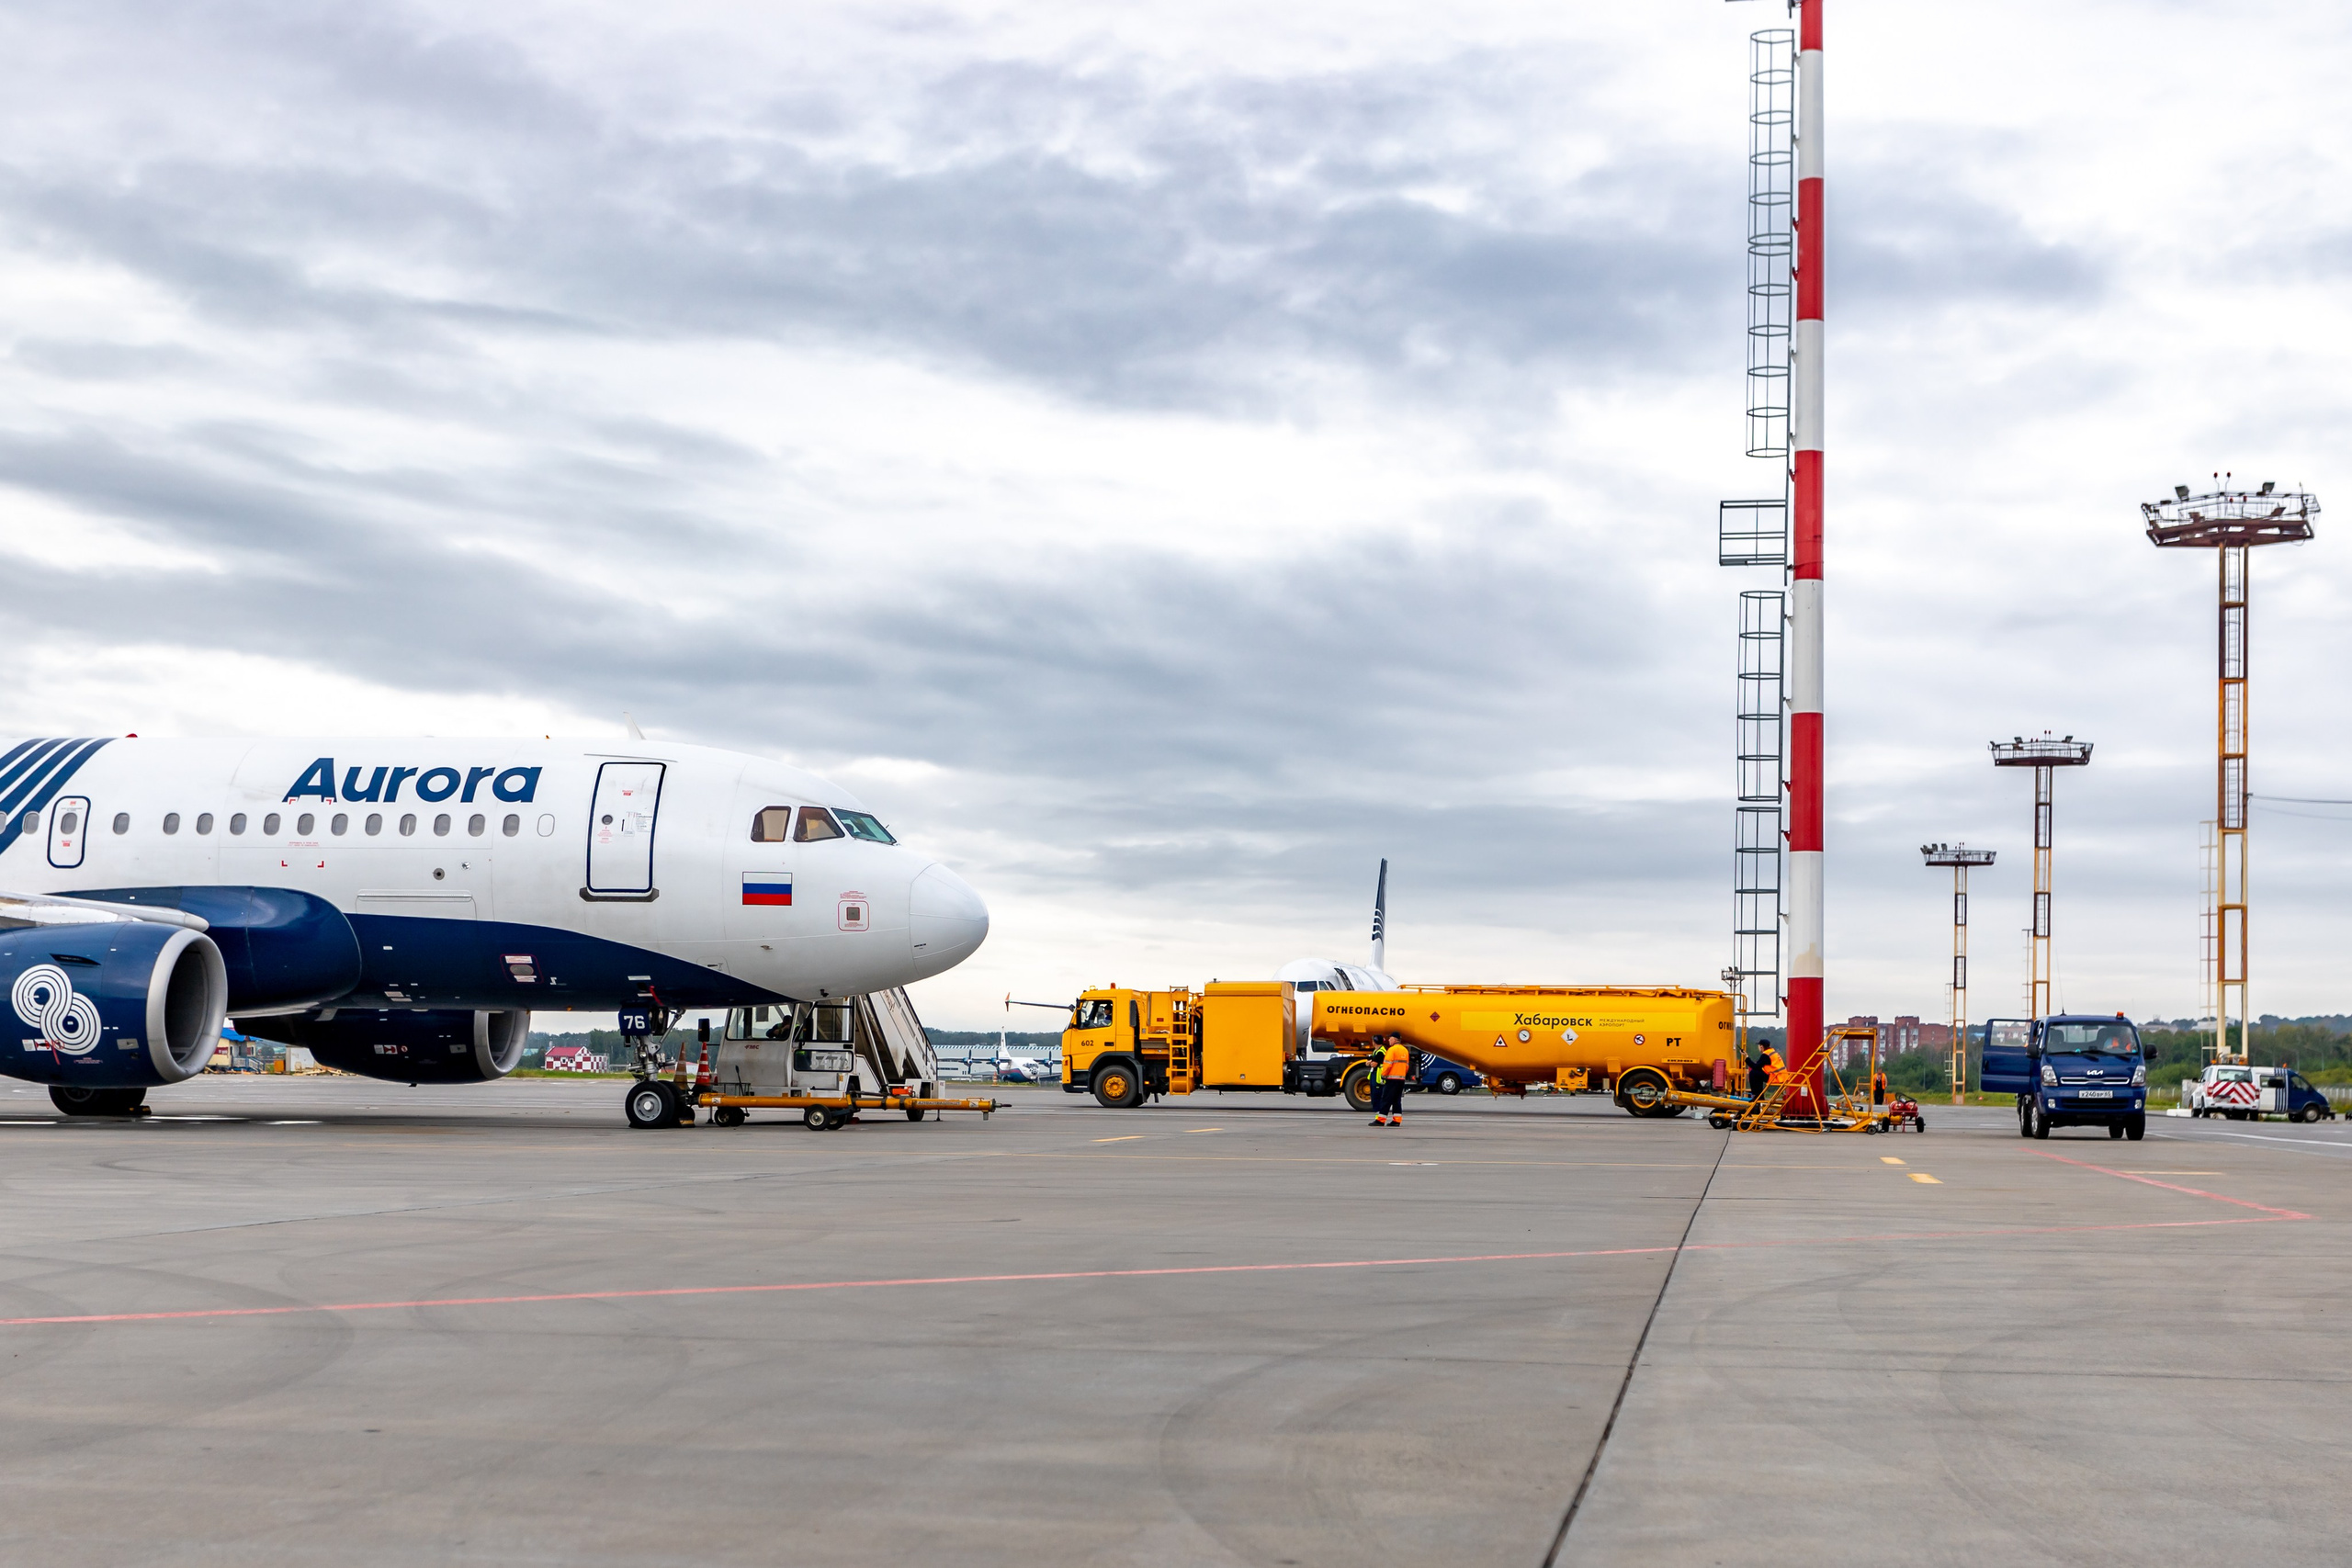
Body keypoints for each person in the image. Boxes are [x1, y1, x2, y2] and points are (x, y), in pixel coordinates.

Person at [1371, 1034, 1412, 1126]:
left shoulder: (1392, 1050)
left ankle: (1381, 1120)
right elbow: (1407, 1066)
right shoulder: (1405, 1050)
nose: (1389, 1040)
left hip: (1391, 1078)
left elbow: (1387, 1065)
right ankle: (1397, 1120)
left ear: (1394, 1039)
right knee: (1396, 1100)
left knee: (1385, 1099)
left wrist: (1383, 1075)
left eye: (1390, 1038)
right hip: (1401, 1079)